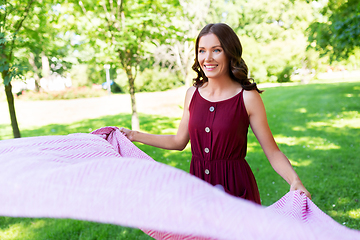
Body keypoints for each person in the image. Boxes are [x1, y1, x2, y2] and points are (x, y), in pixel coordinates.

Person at [120, 23, 311, 204]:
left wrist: (295, 180)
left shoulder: (247, 97)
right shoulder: (192, 94)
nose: (207, 58)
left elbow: (273, 152)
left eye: (216, 50)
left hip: (236, 190)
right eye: (202, 50)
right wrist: (133, 135)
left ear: (230, 53)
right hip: (198, 189)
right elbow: (178, 142)